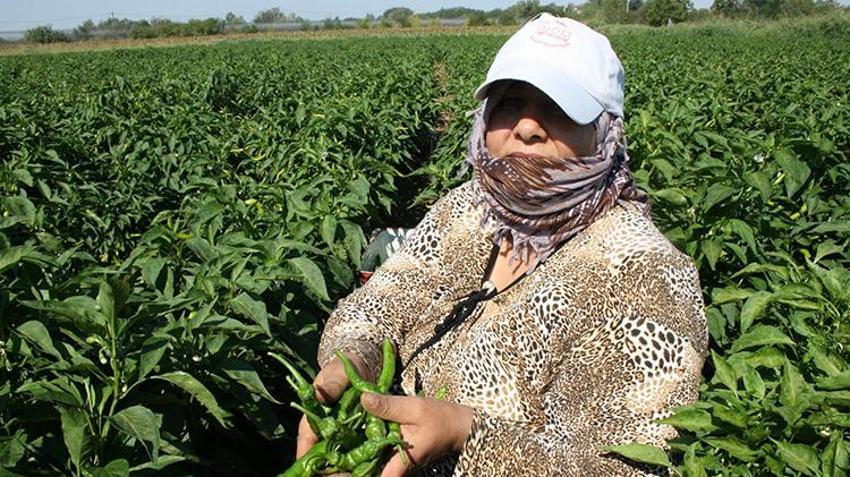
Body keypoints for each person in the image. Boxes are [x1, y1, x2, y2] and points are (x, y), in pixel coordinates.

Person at [296, 13, 707, 476]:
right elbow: (383, 303)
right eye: (510, 103)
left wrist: (467, 435)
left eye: (560, 107)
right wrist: (354, 357)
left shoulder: (644, 276)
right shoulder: (468, 210)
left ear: (607, 134)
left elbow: (623, 467)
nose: (528, 127)